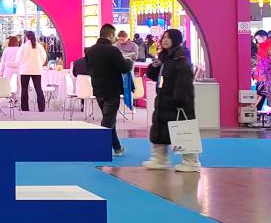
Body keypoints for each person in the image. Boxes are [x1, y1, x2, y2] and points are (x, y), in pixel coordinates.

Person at [143, 28, 199, 173]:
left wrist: (179, 100)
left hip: (178, 104)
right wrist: (153, 67)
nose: (165, 40)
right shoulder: (164, 58)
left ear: (176, 40)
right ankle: (159, 159)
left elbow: (184, 82)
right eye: (164, 37)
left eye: (169, 38)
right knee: (160, 131)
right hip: (163, 101)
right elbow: (156, 77)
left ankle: (191, 162)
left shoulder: (181, 59)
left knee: (183, 132)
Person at [85, 24, 133, 157]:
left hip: (98, 90)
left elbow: (88, 68)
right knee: (108, 121)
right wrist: (129, 62)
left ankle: (117, 147)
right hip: (112, 90)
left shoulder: (90, 50)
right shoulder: (113, 50)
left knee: (109, 119)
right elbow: (124, 68)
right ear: (111, 35)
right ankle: (100, 148)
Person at [16, 30, 48, 113]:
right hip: (37, 70)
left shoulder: (23, 47)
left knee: (24, 89)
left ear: (26, 37)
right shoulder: (39, 46)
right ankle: (41, 108)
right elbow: (44, 57)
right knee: (38, 88)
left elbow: (18, 59)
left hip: (25, 70)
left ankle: (25, 108)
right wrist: (39, 64)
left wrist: (21, 65)